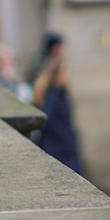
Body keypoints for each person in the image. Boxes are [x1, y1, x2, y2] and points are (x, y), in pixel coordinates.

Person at [32, 32, 83, 174]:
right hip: (59, 149)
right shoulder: (52, 94)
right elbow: (49, 122)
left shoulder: (58, 92)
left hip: (62, 147)